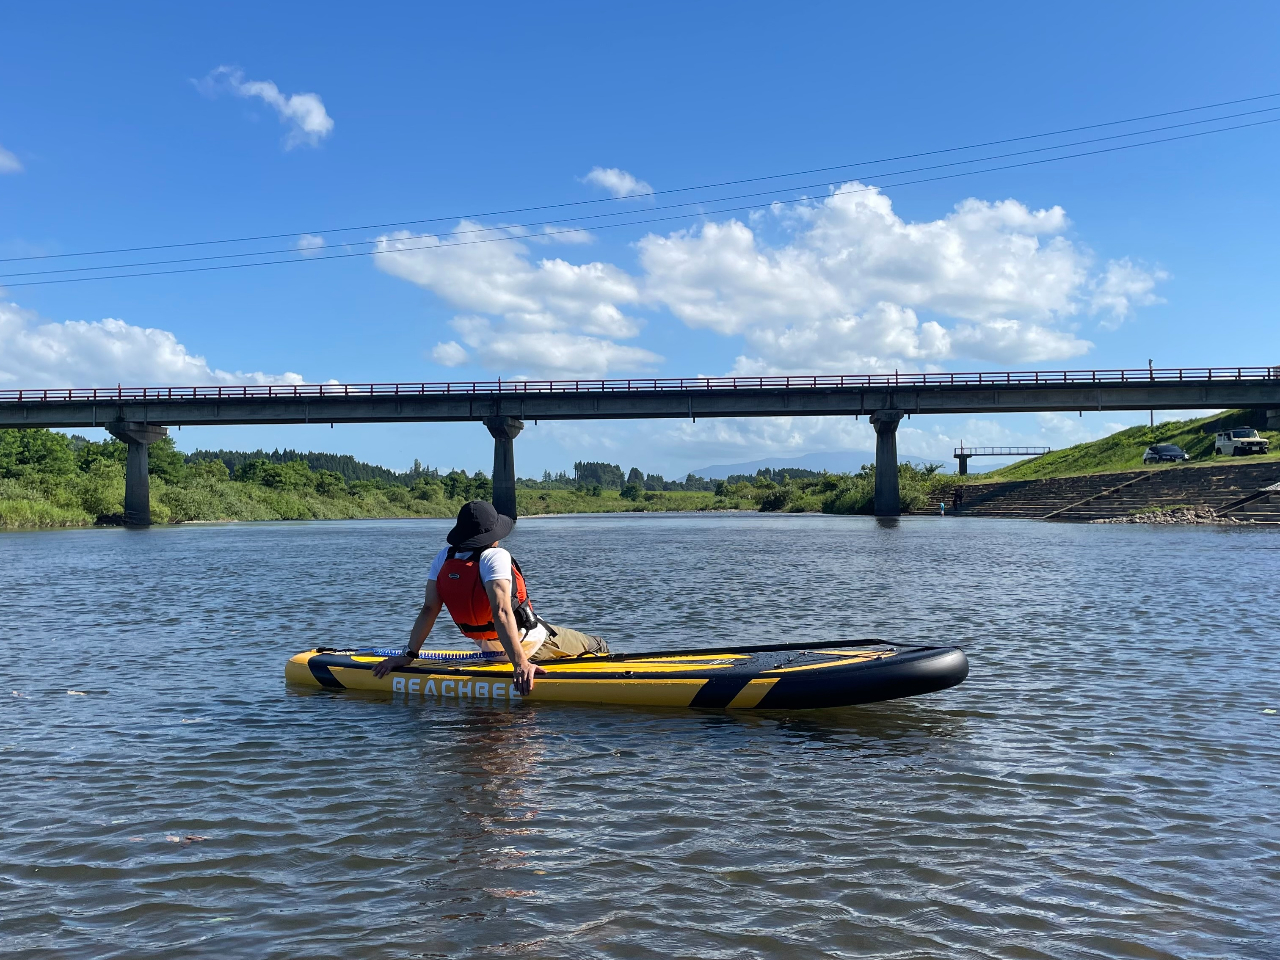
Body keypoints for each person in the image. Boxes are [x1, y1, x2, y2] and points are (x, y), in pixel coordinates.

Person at [372, 500, 608, 693]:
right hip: (531, 645)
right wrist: (520, 664)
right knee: (597, 644)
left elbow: (429, 609)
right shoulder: (495, 556)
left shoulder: (444, 557)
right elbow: (502, 612)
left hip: (490, 651)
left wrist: (408, 655)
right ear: (493, 535)